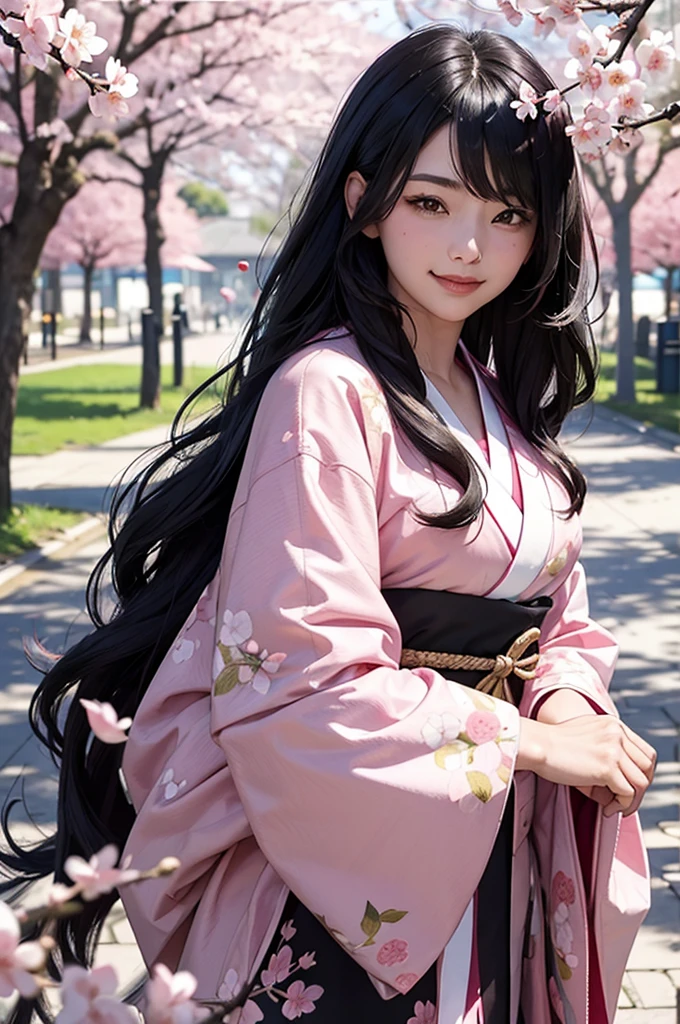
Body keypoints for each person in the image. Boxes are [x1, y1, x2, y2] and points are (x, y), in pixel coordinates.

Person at [2, 24, 655, 1024]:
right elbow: (301, 679)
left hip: (486, 849)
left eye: (505, 213)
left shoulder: (496, 400)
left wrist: (565, 703)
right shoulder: (325, 393)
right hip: (342, 881)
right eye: (429, 202)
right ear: (361, 202)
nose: (465, 245)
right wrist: (522, 740)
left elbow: (553, 617)